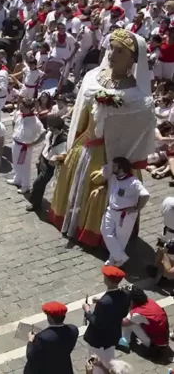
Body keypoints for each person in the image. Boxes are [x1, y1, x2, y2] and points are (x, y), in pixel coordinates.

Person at [49, 29, 155, 248]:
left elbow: (136, 140)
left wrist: (113, 168)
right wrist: (70, 147)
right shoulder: (92, 79)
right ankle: (73, 223)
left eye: (120, 52)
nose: (112, 55)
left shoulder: (138, 99)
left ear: (133, 60)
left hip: (113, 158)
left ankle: (100, 236)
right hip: (84, 147)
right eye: (111, 49)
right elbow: (80, 116)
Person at [101, 157, 150, 267]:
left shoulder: (133, 182)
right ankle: (121, 257)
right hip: (111, 210)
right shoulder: (113, 177)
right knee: (105, 231)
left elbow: (145, 195)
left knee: (121, 238)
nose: (112, 167)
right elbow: (104, 171)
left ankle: (113, 259)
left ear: (120, 168)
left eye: (114, 166)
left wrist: (137, 208)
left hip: (125, 215)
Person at [83, 266, 130, 374]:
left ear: (107, 280)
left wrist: (87, 311)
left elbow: (95, 322)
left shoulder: (104, 303)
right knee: (109, 359)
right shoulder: (125, 294)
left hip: (97, 338)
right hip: (113, 334)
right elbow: (123, 312)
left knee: (94, 362)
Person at [26, 116, 68, 212]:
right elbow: (45, 145)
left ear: (58, 128)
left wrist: (56, 157)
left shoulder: (63, 140)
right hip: (43, 159)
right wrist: (39, 158)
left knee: (37, 183)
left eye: (52, 127)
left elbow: (64, 155)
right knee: (41, 185)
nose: (49, 128)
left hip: (50, 165)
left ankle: (34, 200)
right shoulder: (50, 133)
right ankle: (37, 203)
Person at [24, 301, 78, 374]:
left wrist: (30, 341)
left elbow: (31, 356)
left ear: (50, 318)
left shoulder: (42, 337)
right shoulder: (73, 329)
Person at [9, 98, 45, 194]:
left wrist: (33, 143)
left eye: (23, 107)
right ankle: (17, 179)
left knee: (25, 166)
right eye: (21, 106)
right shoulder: (18, 114)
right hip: (16, 143)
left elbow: (43, 133)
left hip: (25, 147)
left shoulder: (35, 121)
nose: (21, 108)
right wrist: (15, 133)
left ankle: (25, 185)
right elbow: (13, 122)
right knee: (16, 162)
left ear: (30, 109)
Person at [119, 287, 170, 357]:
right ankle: (127, 338)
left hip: (154, 343)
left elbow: (123, 323)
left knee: (128, 322)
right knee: (131, 320)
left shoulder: (137, 313)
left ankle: (125, 340)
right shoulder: (148, 301)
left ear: (132, 301)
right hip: (162, 338)